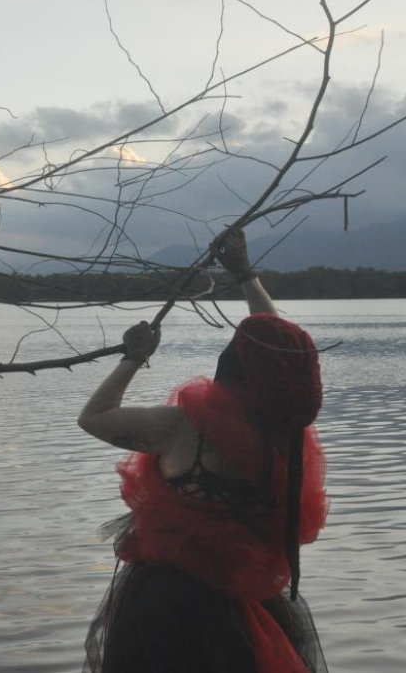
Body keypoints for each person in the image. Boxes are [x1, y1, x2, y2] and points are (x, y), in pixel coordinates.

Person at [78, 229, 329, 673]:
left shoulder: (184, 428)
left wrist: (134, 356)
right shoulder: (285, 428)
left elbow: (95, 417)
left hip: (174, 606)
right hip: (250, 603)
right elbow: (277, 350)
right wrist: (244, 273)